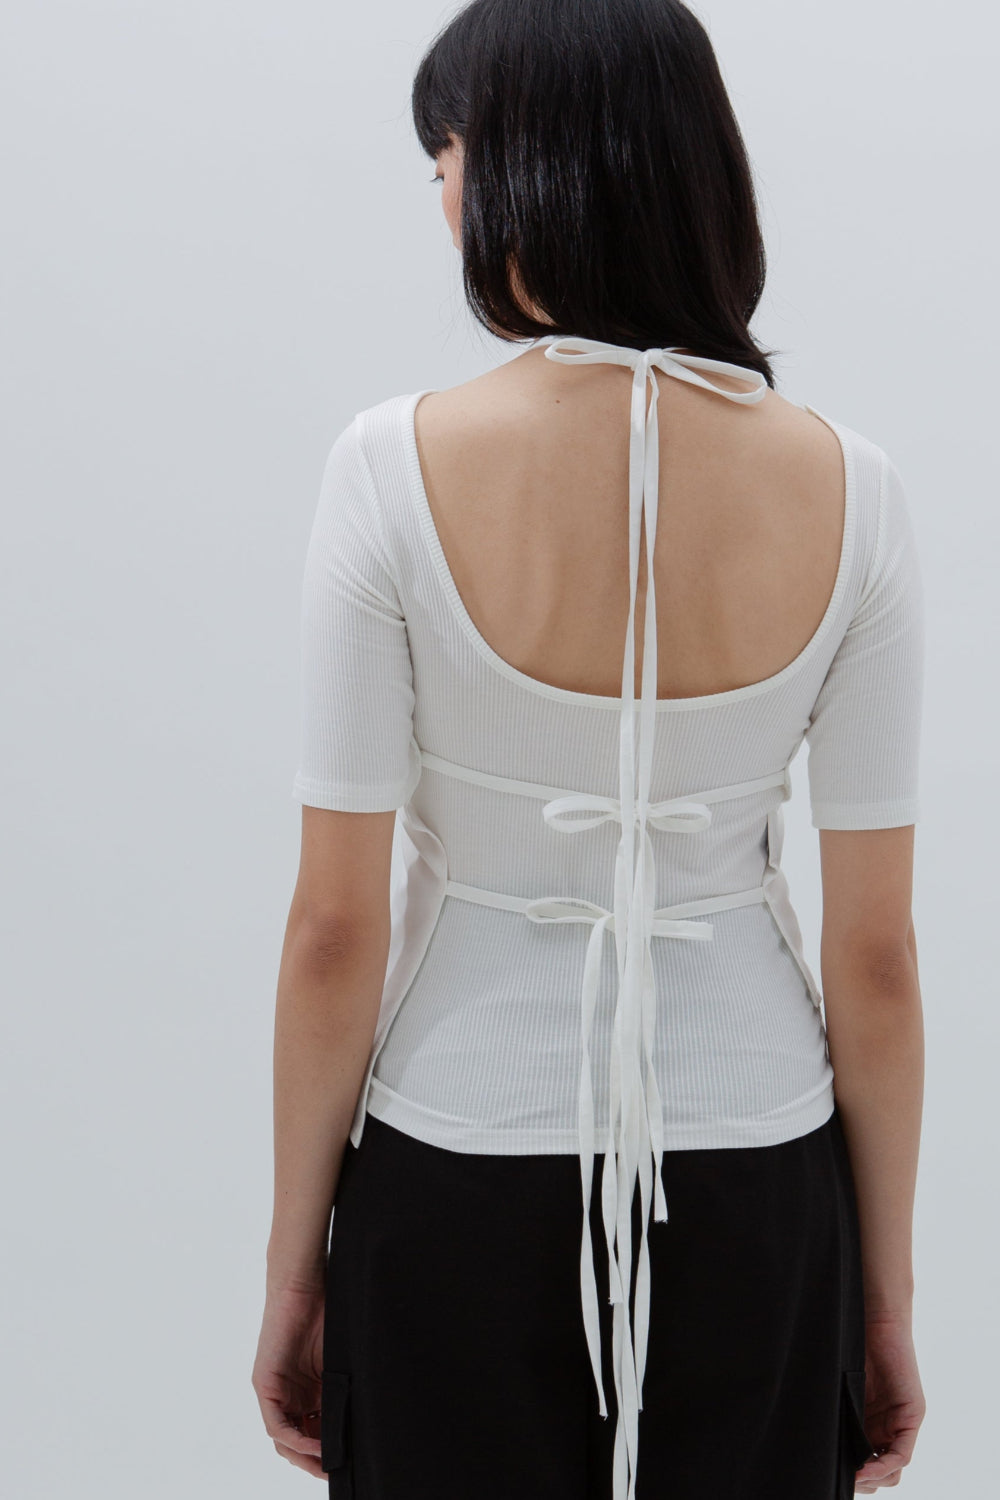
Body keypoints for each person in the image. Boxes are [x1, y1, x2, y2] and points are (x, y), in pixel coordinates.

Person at [251, 2, 927, 1496]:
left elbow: (334, 928)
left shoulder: (389, 470)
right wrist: (883, 1299)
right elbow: (876, 956)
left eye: (443, 156)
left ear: (515, 170)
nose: (439, 196)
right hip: (760, 1175)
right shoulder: (856, 490)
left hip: (454, 1161)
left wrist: (297, 1267)